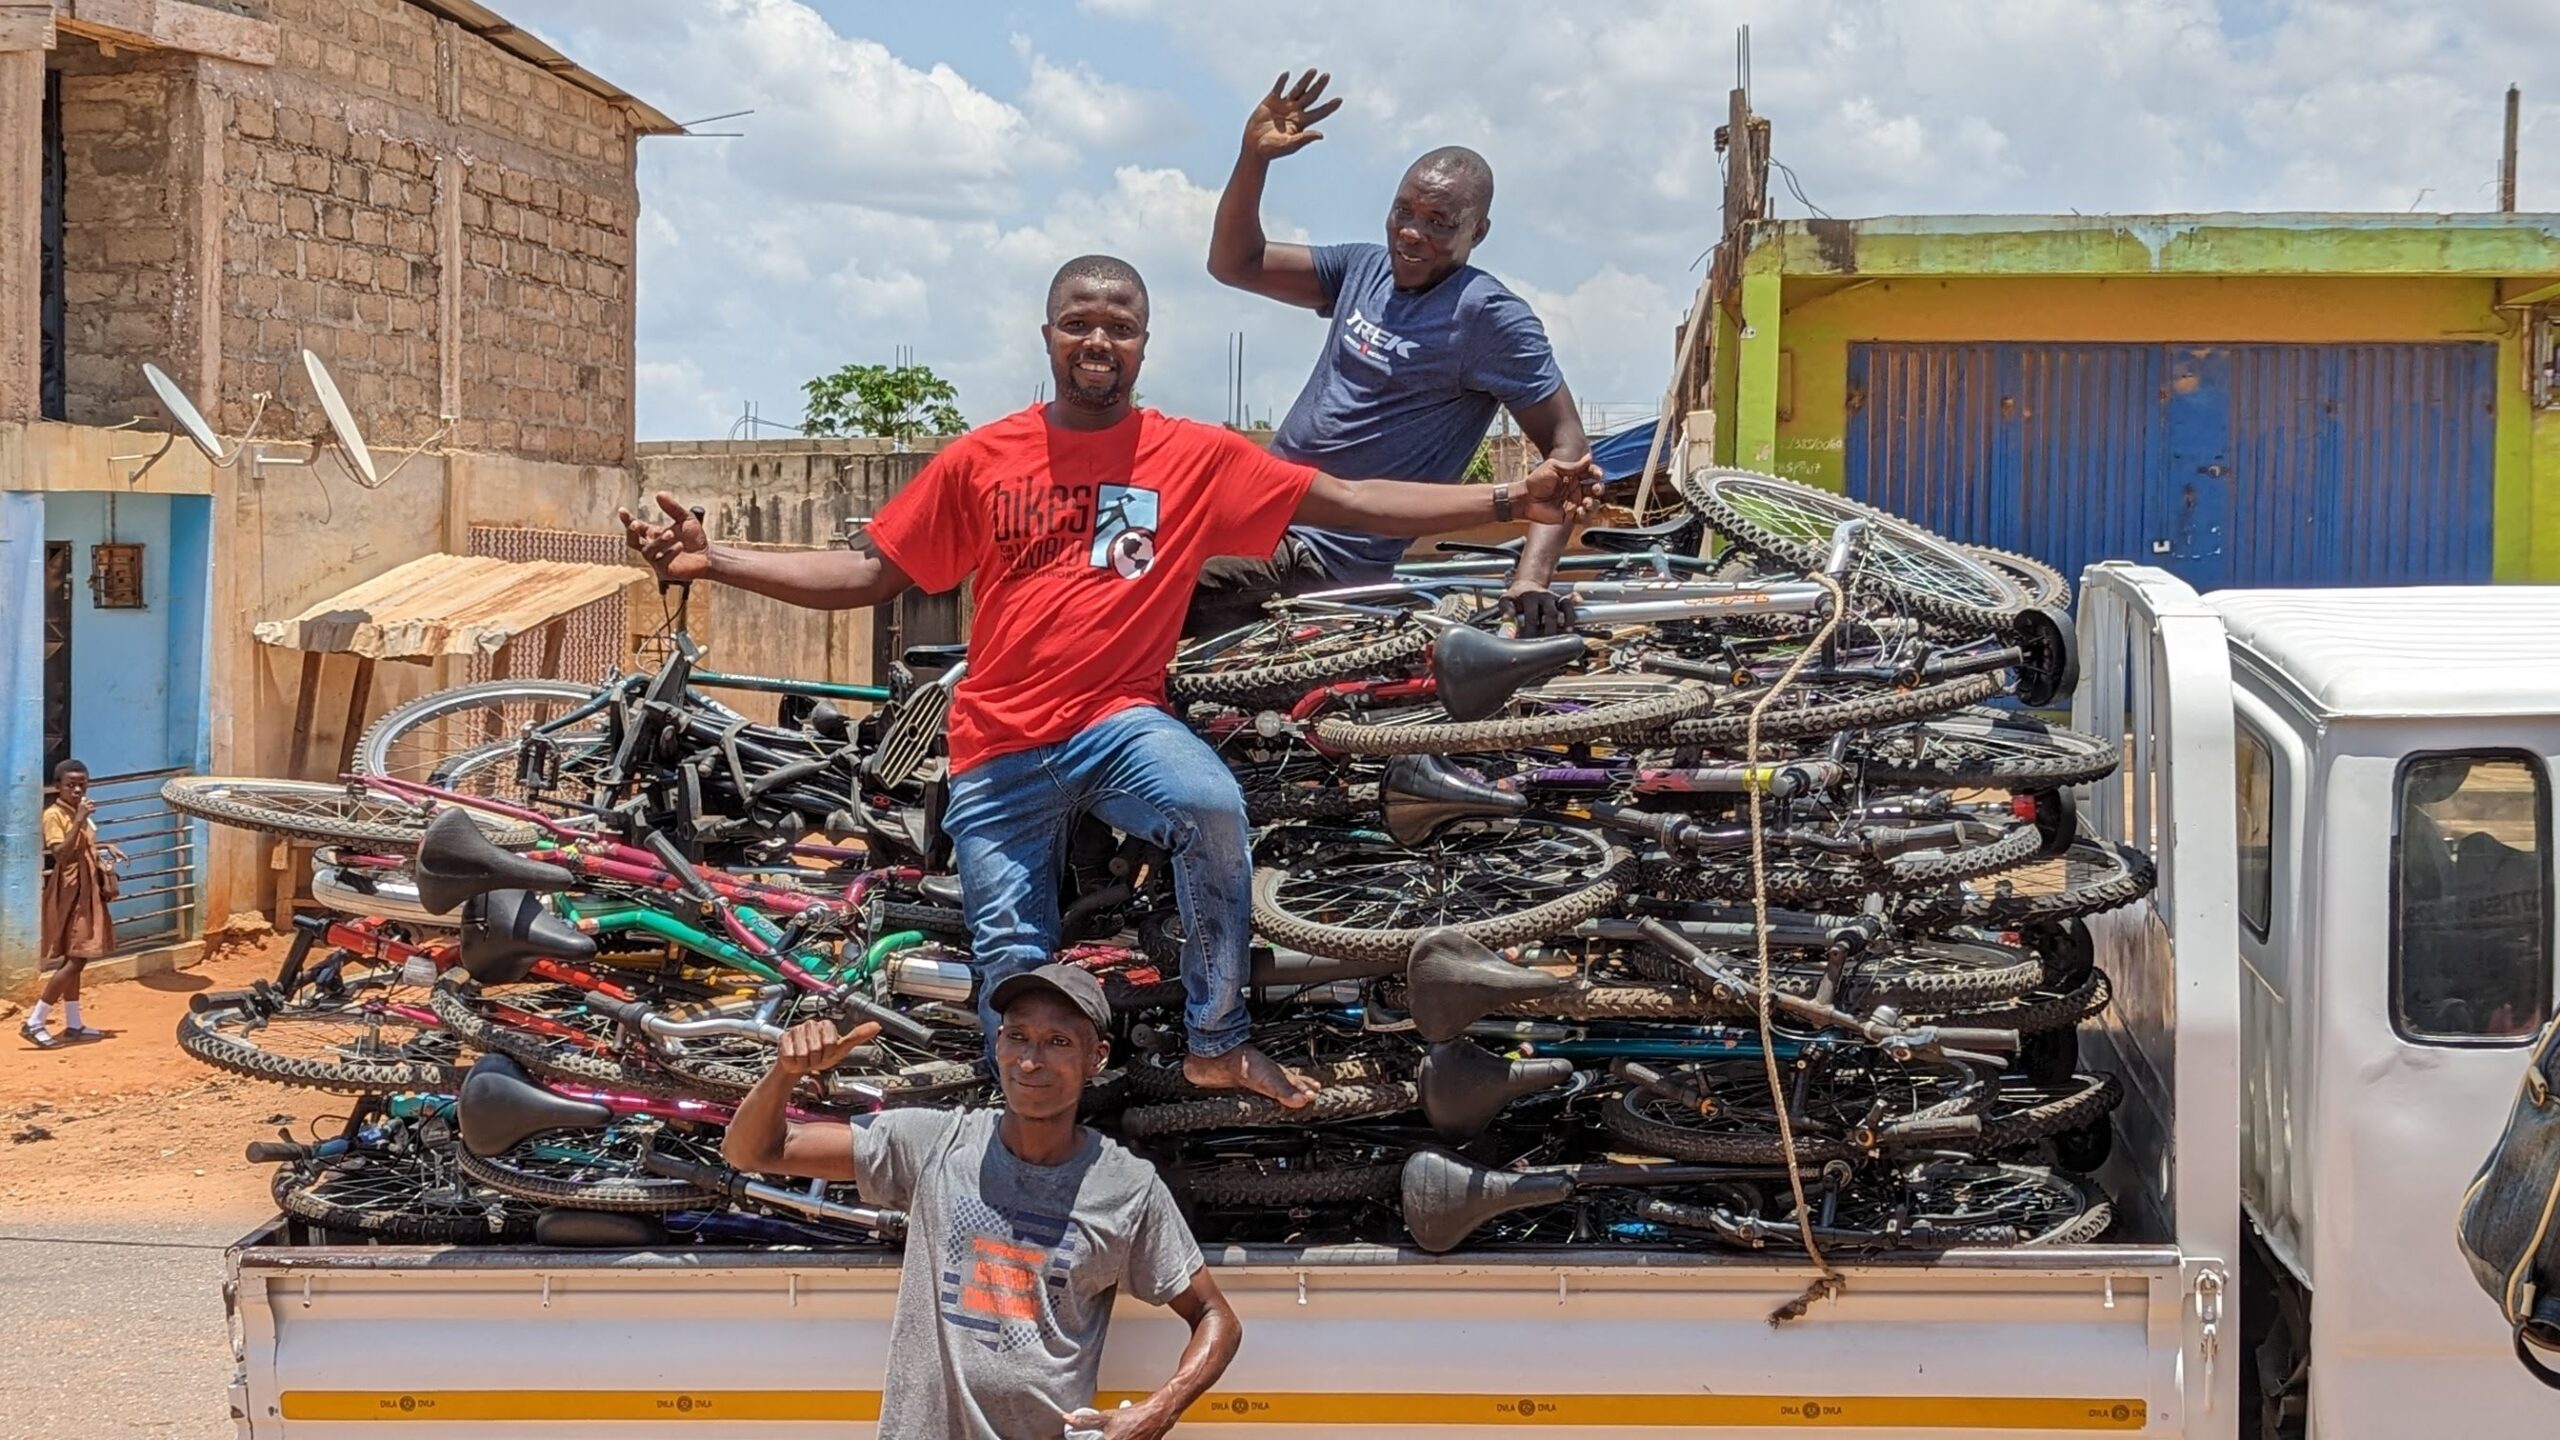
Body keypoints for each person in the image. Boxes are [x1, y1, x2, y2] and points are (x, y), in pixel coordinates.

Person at [621, 254, 1602, 1109]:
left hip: (1119, 724)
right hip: (997, 750)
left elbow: (1351, 501)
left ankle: (1217, 1045)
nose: (1099, 340)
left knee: (1210, 805)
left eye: (1119, 327)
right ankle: (1037, 1145)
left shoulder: (1192, 456)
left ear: (1143, 342)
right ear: (1048, 334)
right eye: (1080, 323)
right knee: (1018, 989)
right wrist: (718, 562)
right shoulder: (981, 459)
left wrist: (1510, 498)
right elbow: (870, 572)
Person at [723, 964, 1234, 1439]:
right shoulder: (934, 1144)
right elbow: (754, 1151)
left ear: (1095, 1058)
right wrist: (785, 1072)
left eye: (1057, 1042)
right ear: (997, 1043)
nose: (1031, 1060)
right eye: (1017, 1037)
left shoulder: (1126, 1186)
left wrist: (1159, 1408)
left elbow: (1216, 1316)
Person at [1197, 68, 1595, 638]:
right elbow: (1235, 263)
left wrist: (1531, 578)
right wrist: (1252, 158)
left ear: (1477, 233)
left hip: (1320, 559)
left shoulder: (1487, 315)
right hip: (1263, 512)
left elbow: (1568, 448)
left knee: (1163, 578)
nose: (1411, 232)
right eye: (1403, 211)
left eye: (1439, 222)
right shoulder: (1362, 269)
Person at [23, 759, 122, 1048]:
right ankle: (35, 1020)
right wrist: (79, 818)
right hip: (70, 889)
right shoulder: (54, 815)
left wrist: (105, 847)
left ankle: (74, 1023)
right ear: (58, 787)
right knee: (77, 956)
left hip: (87, 886)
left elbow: (82, 845)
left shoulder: (79, 811)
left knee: (76, 956)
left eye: (82, 784)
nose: (78, 789)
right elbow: (62, 853)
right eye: (71, 785)